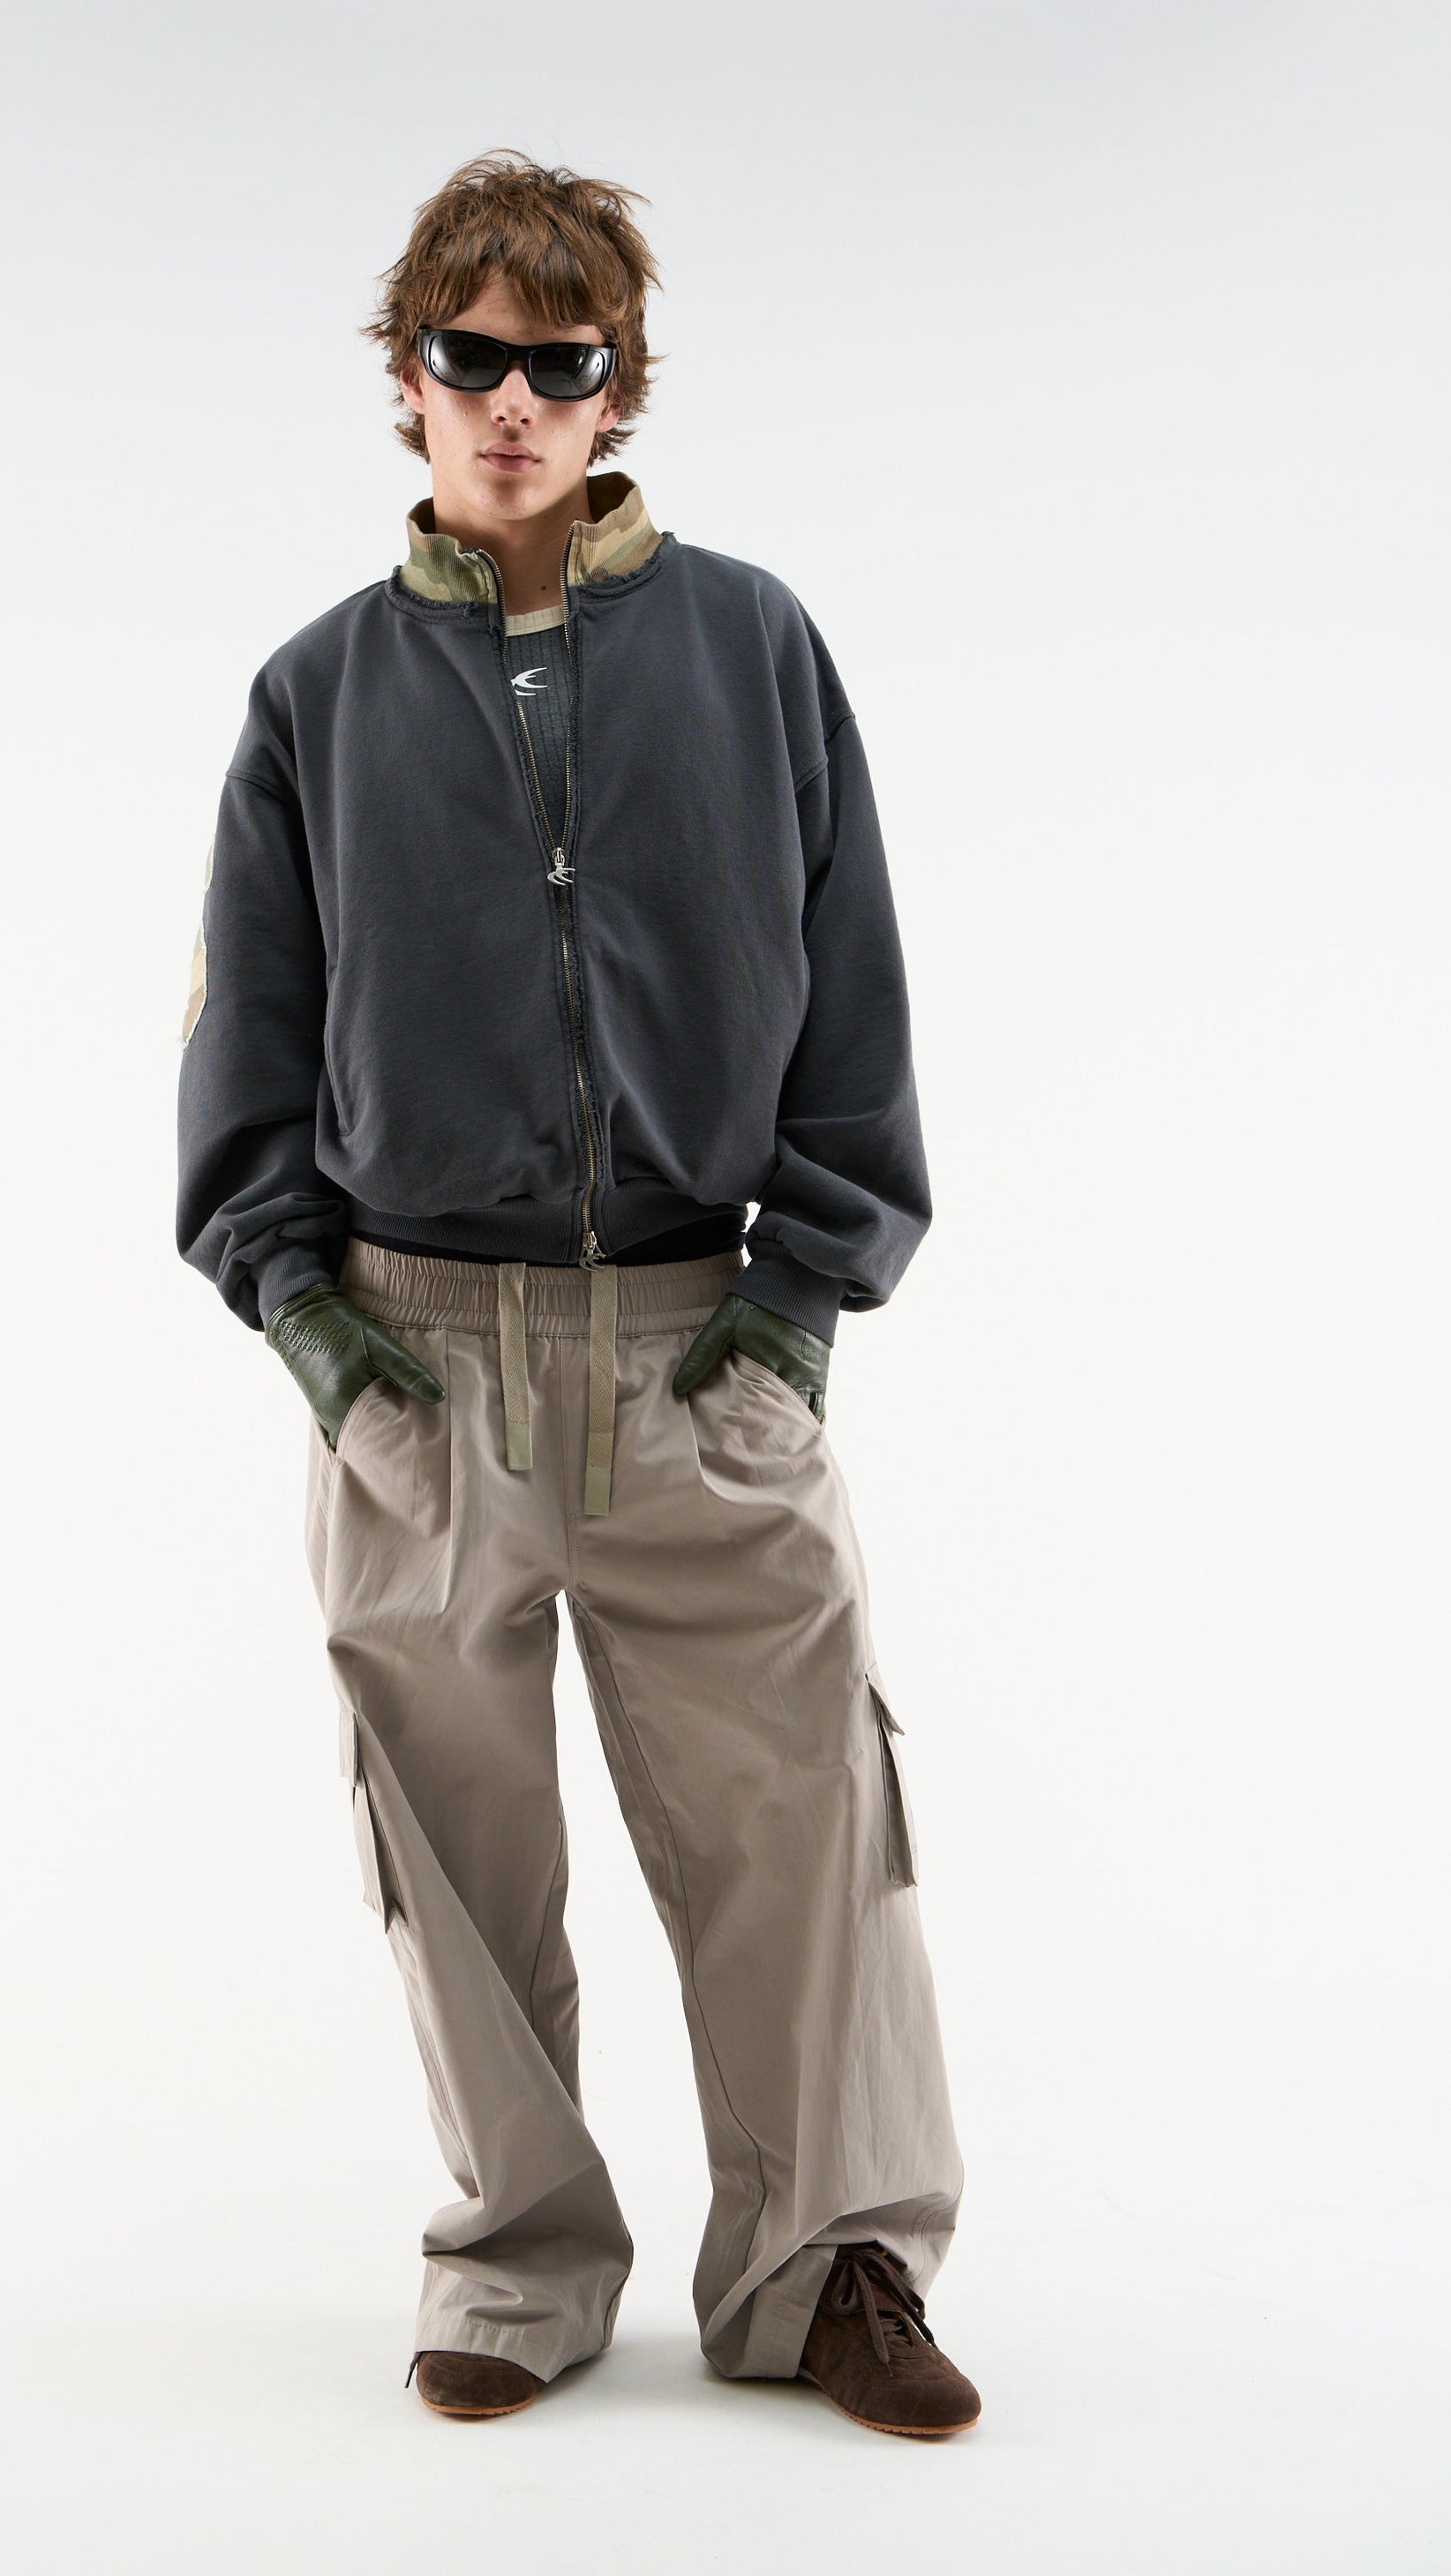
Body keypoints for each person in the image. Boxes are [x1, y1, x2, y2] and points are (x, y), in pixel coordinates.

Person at [177, 149, 977, 2437]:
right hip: (414, 1357)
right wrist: (307, 1322)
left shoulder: (752, 644)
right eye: (472, 357)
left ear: (619, 385)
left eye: (561, 360)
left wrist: (801, 1306)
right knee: (453, 1853)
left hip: (702, 1348)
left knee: (803, 1820)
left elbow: (854, 990)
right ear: (408, 380)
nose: (513, 401)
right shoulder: (318, 694)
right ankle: (521, 2262)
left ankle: (828, 2269)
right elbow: (246, 1033)